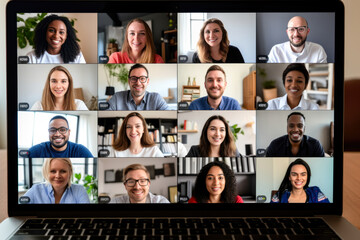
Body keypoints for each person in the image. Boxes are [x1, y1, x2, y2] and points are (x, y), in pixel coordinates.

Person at [23, 158, 90, 203]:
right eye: (53, 171)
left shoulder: (79, 190)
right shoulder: (36, 190)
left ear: (70, 173)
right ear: (46, 172)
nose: (57, 176)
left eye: (63, 171)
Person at [28, 115, 93, 158]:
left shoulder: (80, 150)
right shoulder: (36, 151)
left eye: (62, 130)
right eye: (53, 130)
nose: (57, 134)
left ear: (69, 132)